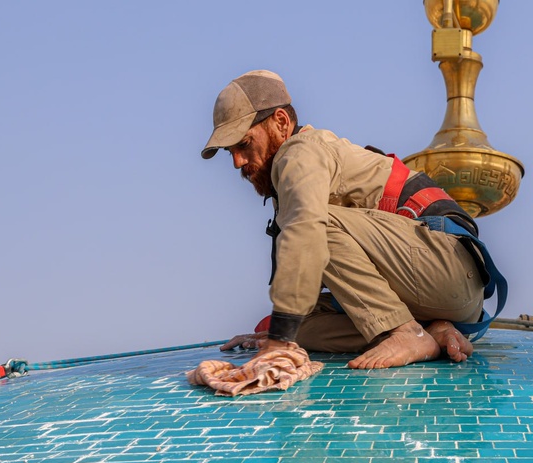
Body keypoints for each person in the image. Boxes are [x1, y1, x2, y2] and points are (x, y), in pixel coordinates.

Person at [201, 70, 492, 369]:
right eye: (230, 152)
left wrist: (277, 344)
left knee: (313, 224)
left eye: (245, 144)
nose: (238, 161)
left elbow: (307, 228)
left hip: (448, 268)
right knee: (300, 328)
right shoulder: (289, 179)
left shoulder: (299, 152)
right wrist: (278, 333)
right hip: (439, 293)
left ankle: (405, 331)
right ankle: (430, 332)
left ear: (281, 122)